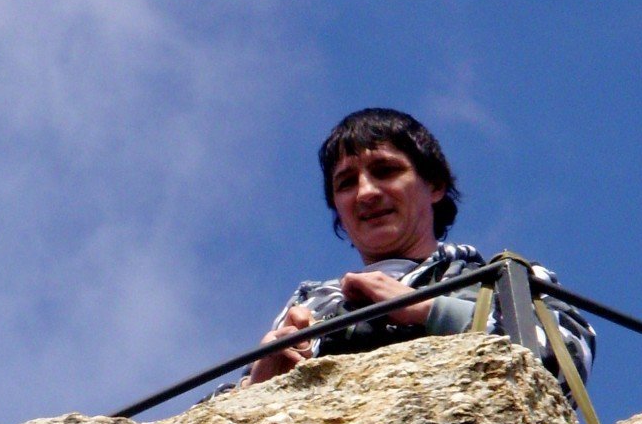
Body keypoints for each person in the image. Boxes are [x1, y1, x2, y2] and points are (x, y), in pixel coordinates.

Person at [240, 108, 594, 391]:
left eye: (386, 171)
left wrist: (427, 309)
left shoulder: (502, 279)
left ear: (435, 184)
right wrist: (260, 381)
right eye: (346, 183)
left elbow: (564, 367)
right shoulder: (311, 302)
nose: (366, 193)